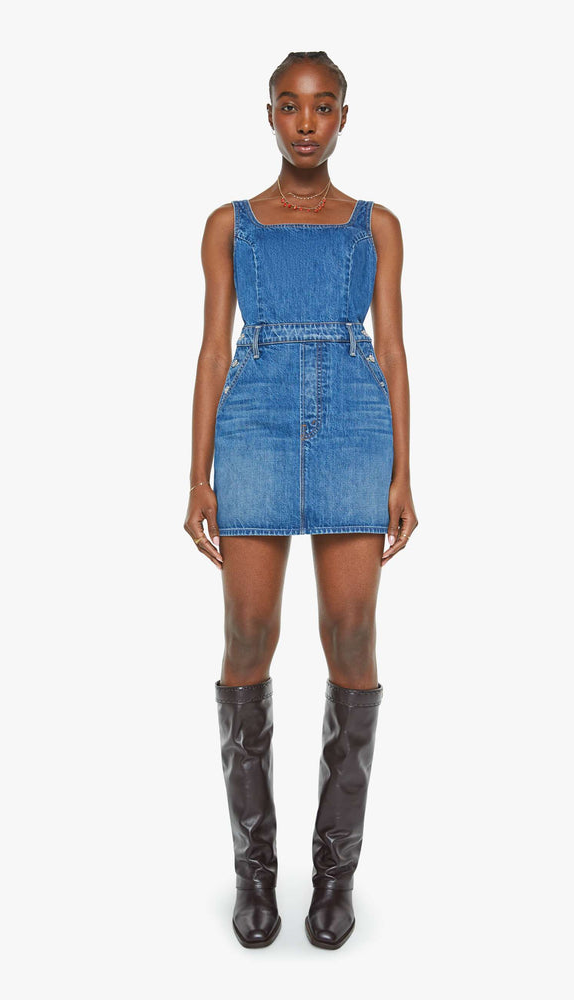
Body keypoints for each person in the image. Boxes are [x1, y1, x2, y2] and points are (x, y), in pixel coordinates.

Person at [185, 51, 418, 949]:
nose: (307, 122)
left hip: (355, 419)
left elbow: (392, 350)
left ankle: (334, 874)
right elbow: (213, 350)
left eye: (322, 107)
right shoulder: (230, 225)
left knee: (352, 634)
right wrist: (197, 473)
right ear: (271, 115)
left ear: (344, 116)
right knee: (248, 634)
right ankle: (255, 870)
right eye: (290, 106)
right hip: (254, 419)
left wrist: (402, 472)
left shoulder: (376, 225)